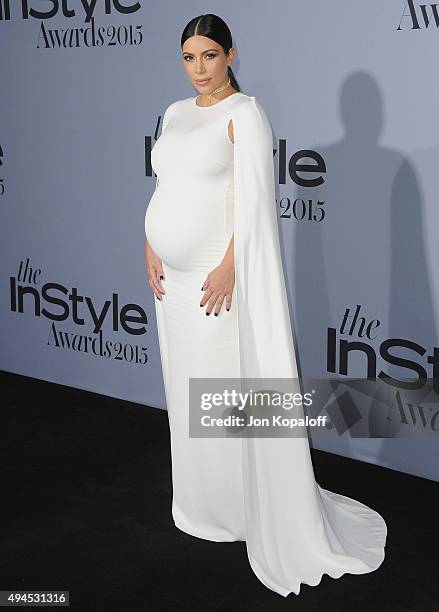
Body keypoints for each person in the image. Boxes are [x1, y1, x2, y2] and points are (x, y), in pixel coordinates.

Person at [144, 13, 387, 597]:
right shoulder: (176, 114)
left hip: (215, 276)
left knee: (220, 387)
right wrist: (148, 243)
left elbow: (254, 203)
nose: (198, 69)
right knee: (183, 385)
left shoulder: (245, 114)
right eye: (188, 57)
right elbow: (163, 187)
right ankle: (199, 502)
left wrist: (231, 265)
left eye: (208, 55)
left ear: (230, 54)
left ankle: (237, 509)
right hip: (170, 279)